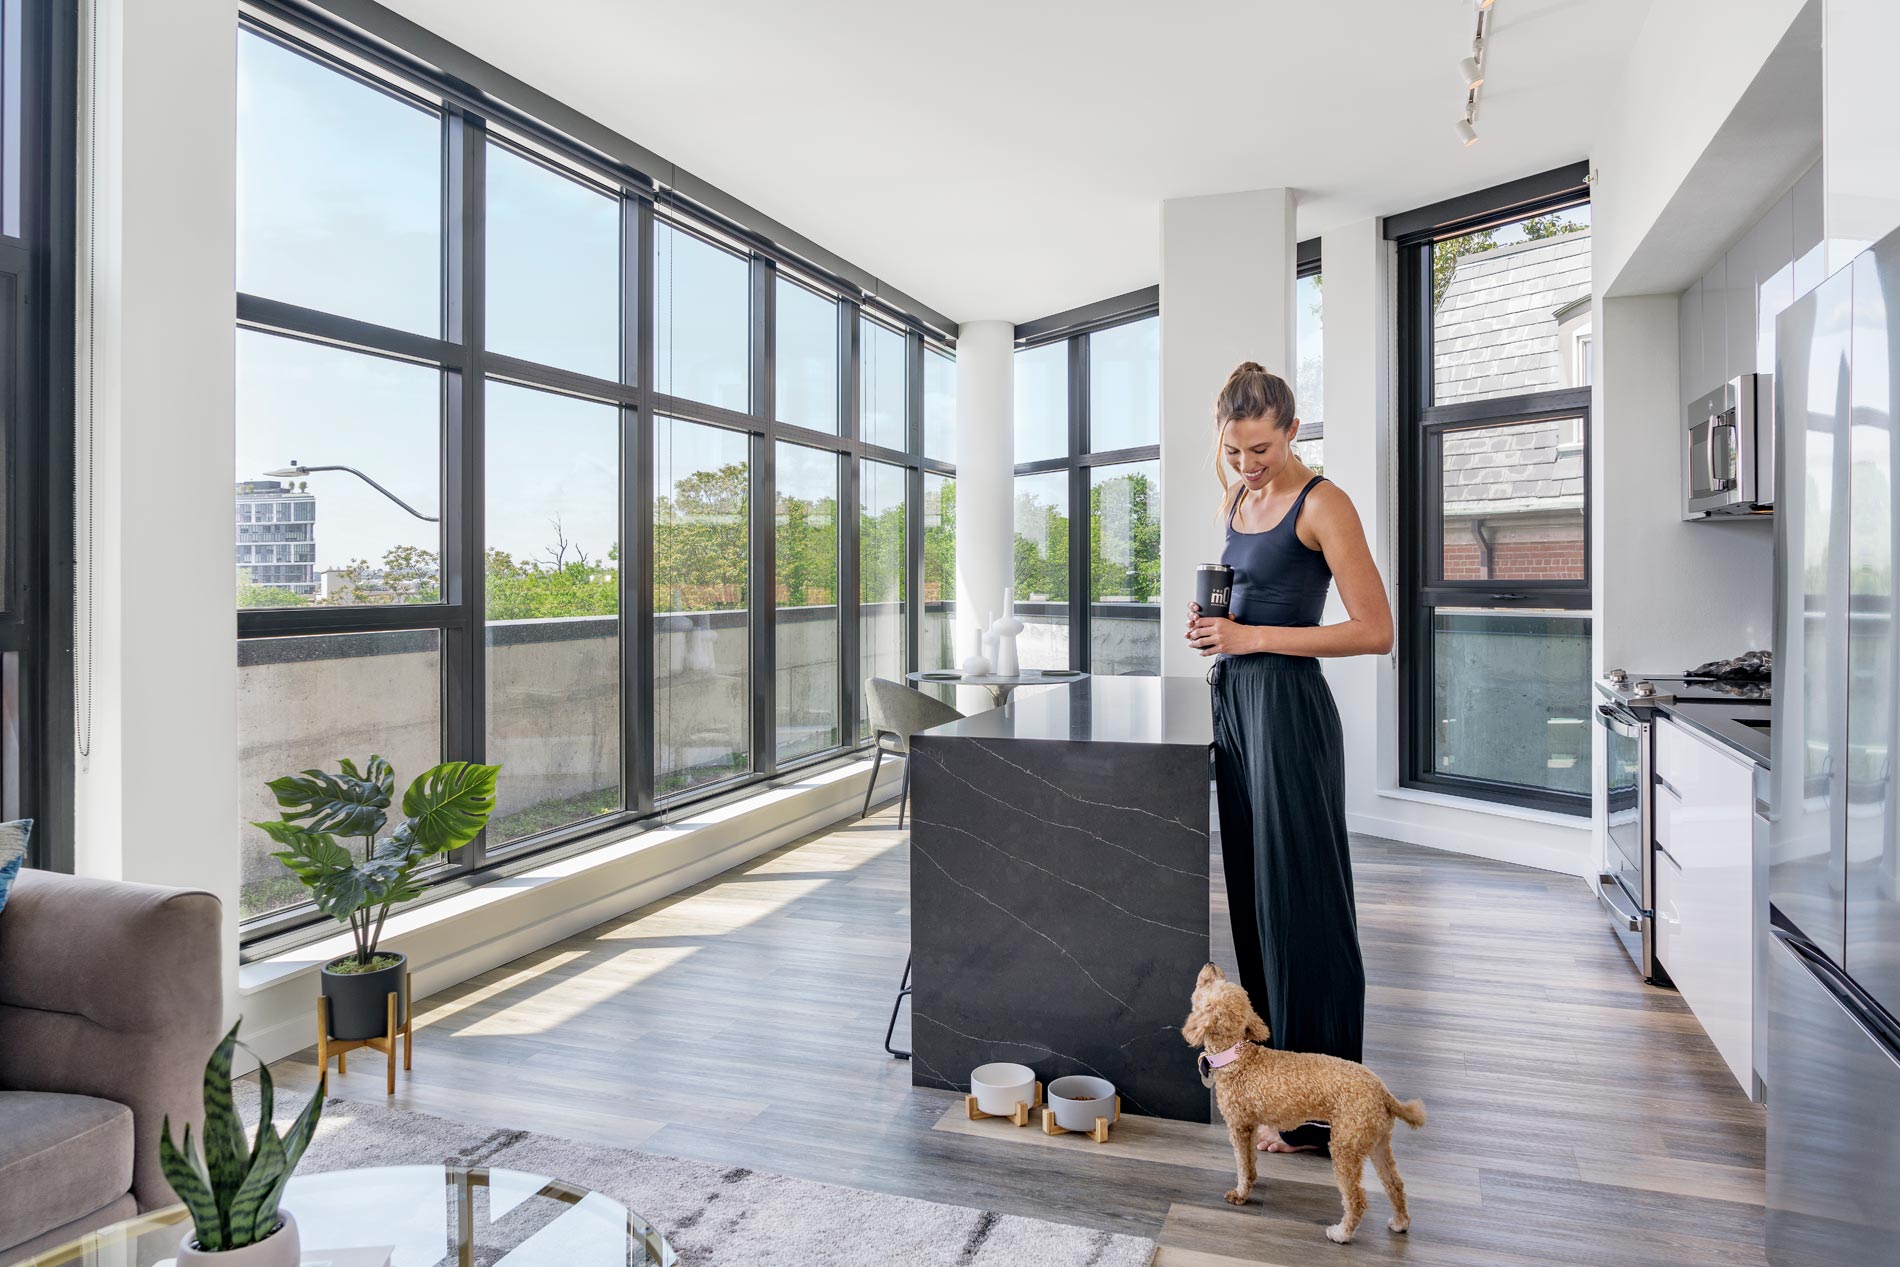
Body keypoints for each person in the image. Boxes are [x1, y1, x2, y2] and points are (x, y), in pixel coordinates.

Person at [1186, 362, 1394, 1154]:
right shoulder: (1238, 496)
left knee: (1305, 899)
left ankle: (1319, 1106)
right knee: (1255, 894)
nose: (1247, 465)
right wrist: (1216, 626)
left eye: (1261, 449)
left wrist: (1251, 636)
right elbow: (1253, 599)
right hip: (1236, 700)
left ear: (1293, 430)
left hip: (1289, 709)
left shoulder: (1324, 503)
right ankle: (1274, 1083)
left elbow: (1375, 629)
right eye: (1235, 451)